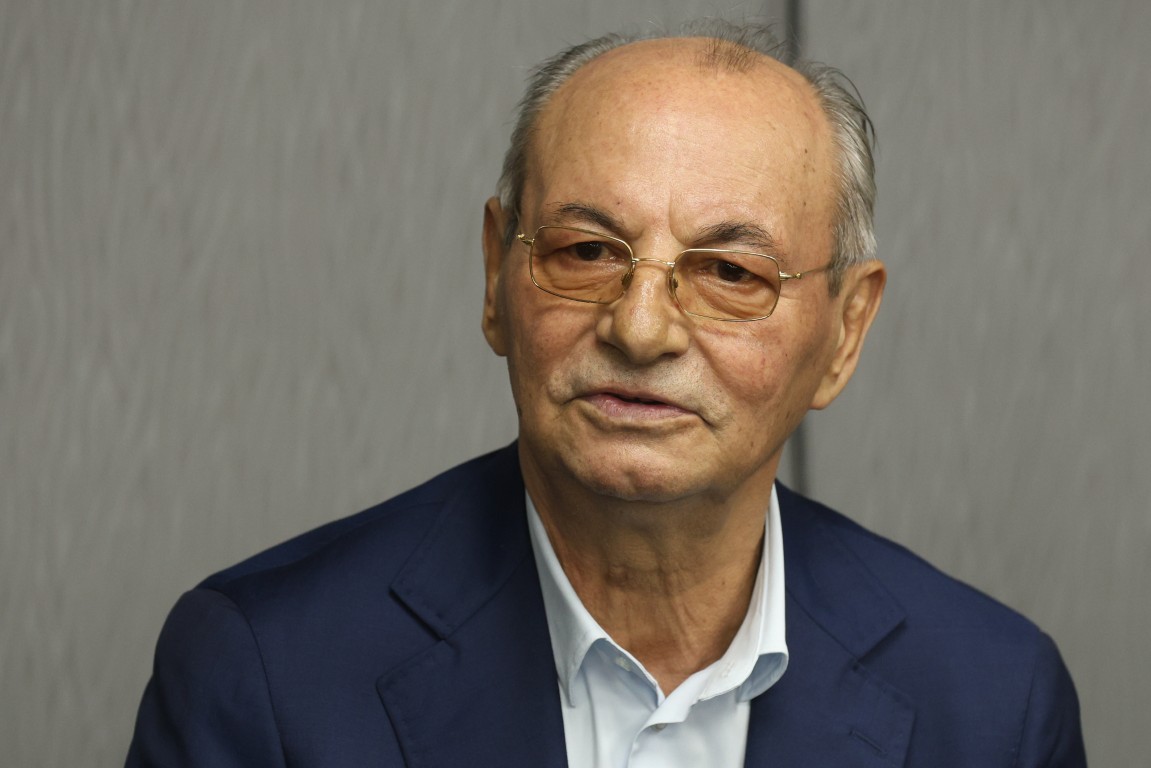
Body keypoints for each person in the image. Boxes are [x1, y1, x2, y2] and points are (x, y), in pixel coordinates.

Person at [126, 20, 1086, 768]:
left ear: (844, 332)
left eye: (729, 273)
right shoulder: (263, 668)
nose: (640, 328)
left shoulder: (994, 703)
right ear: (496, 278)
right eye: (586, 251)